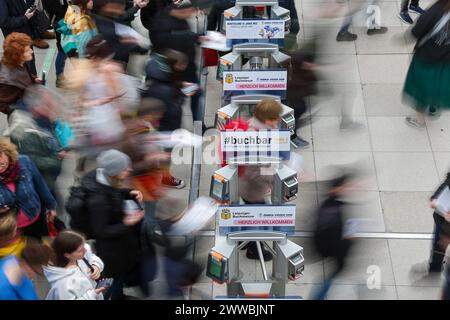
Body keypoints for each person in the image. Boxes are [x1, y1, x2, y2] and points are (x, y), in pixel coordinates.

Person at [80, 149, 152, 300]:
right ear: (113, 174)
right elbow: (100, 231)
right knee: (114, 281)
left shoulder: (102, 179)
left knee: (119, 279)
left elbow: (112, 192)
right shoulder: (98, 201)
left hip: (121, 250)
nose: (129, 170)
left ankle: (119, 295)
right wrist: (126, 223)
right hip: (112, 255)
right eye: (125, 169)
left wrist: (128, 192)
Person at [237, 99, 286, 261]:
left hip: (250, 185)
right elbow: (253, 173)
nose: (278, 120)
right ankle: (253, 249)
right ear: (266, 119)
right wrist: (276, 177)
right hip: (251, 190)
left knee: (250, 216)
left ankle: (243, 240)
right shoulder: (256, 138)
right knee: (258, 221)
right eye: (275, 118)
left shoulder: (257, 126)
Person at [151, 1, 207, 132]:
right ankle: (173, 127)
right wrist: (192, 37)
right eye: (190, 12)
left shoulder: (181, 20)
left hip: (188, 68)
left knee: (196, 95)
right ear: (182, 11)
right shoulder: (161, 22)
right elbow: (160, 43)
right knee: (174, 101)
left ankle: (198, 124)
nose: (191, 15)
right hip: (171, 71)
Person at [143, 49, 189, 189]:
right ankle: (165, 177)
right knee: (166, 153)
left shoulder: (155, 71)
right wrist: (182, 96)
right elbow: (173, 109)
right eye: (181, 65)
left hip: (156, 120)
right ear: (173, 66)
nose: (184, 67)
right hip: (167, 125)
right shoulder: (165, 90)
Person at [8, 86, 66, 195]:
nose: (53, 107)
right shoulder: (24, 132)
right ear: (37, 107)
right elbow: (32, 160)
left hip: (49, 178)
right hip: (41, 184)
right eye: (49, 105)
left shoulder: (40, 118)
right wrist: (56, 159)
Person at [403, 0, 450, 129]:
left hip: (427, 56)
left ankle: (419, 120)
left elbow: (417, 30)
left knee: (422, 86)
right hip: (446, 59)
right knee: (438, 82)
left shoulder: (437, 9)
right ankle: (434, 109)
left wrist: (403, 39)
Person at [0, 138, 57, 240]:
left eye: (2, 164)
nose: (0, 169)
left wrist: (51, 206)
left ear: (7, 153)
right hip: (8, 227)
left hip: (33, 216)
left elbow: (40, 184)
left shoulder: (24, 162)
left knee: (34, 246)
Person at [312, 172, 355, 300]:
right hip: (335, 252)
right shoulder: (333, 208)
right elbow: (329, 233)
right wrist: (347, 243)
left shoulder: (333, 205)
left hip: (333, 252)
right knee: (328, 281)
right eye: (344, 186)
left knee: (330, 280)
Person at [43, 230, 106, 300]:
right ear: (67, 255)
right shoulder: (62, 284)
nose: (85, 250)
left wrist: (96, 265)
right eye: (80, 250)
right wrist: (93, 294)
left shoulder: (80, 255)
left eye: (84, 245)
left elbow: (93, 258)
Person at [410, 170, 450, 277]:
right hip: (443, 217)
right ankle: (435, 268)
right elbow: (448, 180)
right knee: (438, 244)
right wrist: (436, 197)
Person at [0, 33, 42, 115]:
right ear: (17, 55)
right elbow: (2, 105)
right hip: (25, 117)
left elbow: (24, 73)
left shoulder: (18, 62)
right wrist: (22, 112)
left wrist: (33, 79)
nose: (32, 51)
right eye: (27, 50)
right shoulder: (7, 81)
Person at [40, 0, 69, 87]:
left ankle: (60, 77)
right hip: (61, 24)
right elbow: (59, 11)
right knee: (63, 51)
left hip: (63, 23)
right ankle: (60, 79)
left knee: (64, 51)